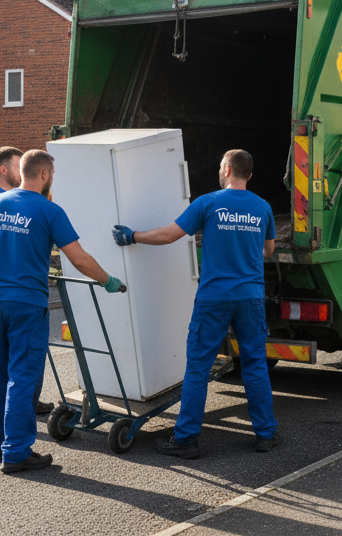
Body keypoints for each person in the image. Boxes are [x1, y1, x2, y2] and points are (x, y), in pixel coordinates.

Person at [113, 148, 279, 459]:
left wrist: (133, 236)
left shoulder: (209, 203)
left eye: (220, 165)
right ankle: (265, 435)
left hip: (214, 298)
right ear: (249, 175)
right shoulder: (263, 207)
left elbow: (167, 236)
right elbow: (268, 251)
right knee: (255, 364)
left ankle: (186, 439)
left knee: (199, 367)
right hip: (250, 297)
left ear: (227, 170)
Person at [0, 149, 125, 474]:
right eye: (52, 174)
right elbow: (79, 259)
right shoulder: (49, 210)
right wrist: (109, 281)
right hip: (26, 303)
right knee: (23, 376)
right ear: (44, 174)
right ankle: (16, 452)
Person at [0, 147, 54, 423]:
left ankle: (15, 406)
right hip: (6, 286)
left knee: (2, 355)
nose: (22, 173)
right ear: (4, 170)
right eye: (18, 167)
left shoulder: (1, 199)